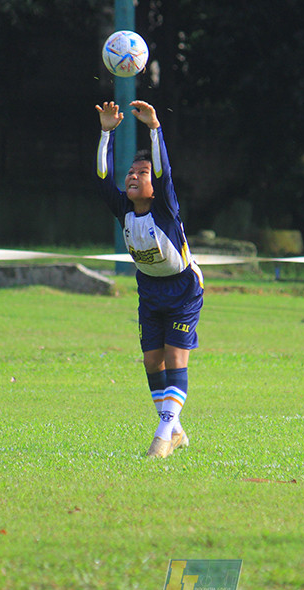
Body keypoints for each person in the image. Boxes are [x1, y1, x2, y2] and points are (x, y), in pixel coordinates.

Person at [94, 100, 204, 459]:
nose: (132, 175)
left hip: (183, 289)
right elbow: (101, 177)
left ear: (154, 187)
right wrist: (106, 132)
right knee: (151, 361)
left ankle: (162, 435)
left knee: (175, 359)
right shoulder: (124, 209)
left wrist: (155, 128)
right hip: (149, 290)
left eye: (141, 173)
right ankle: (176, 430)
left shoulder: (165, 207)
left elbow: (164, 172)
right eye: (131, 172)